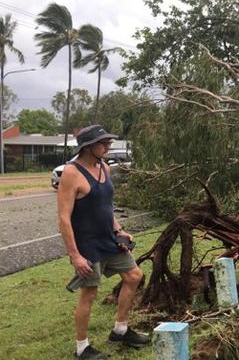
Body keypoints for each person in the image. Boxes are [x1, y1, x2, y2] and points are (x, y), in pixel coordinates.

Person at [57, 125, 149, 359]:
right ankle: (82, 347)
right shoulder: (71, 173)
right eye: (103, 143)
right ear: (88, 147)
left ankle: (120, 329)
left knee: (134, 276)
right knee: (89, 293)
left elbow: (105, 208)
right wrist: (75, 256)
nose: (108, 146)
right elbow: (64, 219)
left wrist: (119, 230)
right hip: (88, 246)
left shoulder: (104, 168)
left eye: (108, 142)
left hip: (109, 239)